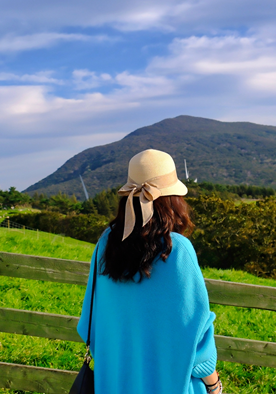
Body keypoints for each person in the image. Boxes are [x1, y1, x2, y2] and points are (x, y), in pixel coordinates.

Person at [77, 149, 222, 394]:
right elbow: (197, 337)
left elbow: (89, 325)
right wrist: (214, 384)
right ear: (173, 199)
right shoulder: (178, 251)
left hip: (113, 382)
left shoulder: (106, 243)